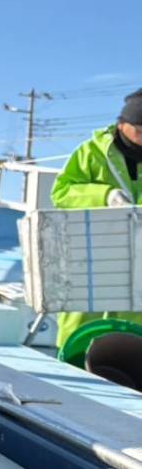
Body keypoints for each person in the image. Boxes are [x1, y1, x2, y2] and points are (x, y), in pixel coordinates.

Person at [50, 90, 142, 348]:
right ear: (124, 124)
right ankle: (72, 365)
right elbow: (62, 191)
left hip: (139, 256)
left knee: (133, 324)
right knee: (81, 319)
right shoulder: (92, 152)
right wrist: (104, 195)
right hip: (91, 251)